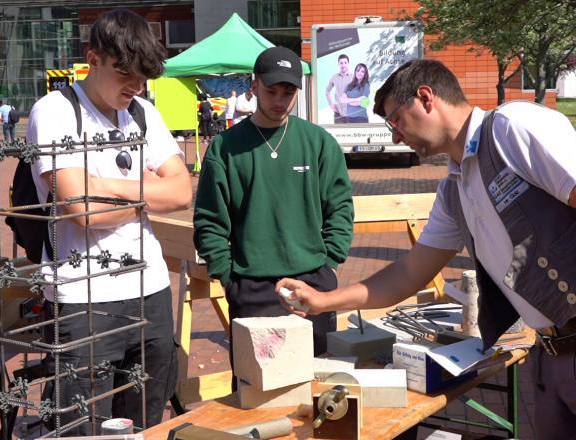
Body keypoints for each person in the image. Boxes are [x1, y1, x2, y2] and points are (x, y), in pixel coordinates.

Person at [276, 59, 576, 440]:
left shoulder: (513, 126)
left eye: (396, 120)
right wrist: (324, 300)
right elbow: (409, 272)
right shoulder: (454, 186)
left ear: (426, 98)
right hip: (550, 356)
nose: (396, 136)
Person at [28, 9, 192, 434]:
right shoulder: (56, 112)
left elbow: (181, 192)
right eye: (126, 76)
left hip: (150, 289)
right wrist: (142, 190)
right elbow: (81, 212)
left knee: (144, 419)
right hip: (83, 297)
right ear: (93, 58)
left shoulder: (141, 112)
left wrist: (104, 185)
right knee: (82, 424)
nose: (135, 87)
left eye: (142, 78)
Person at [193, 46, 354, 371]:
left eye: (288, 91)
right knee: (254, 397)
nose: (279, 100)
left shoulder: (319, 142)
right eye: (271, 90)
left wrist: (331, 265)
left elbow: (340, 207)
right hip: (251, 288)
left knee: (317, 389)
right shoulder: (225, 147)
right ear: (254, 87)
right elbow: (210, 220)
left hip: (314, 284)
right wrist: (228, 278)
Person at [325, 54, 352, 124]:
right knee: (337, 133)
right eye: (341, 63)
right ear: (338, 64)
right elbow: (327, 91)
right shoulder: (334, 77)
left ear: (348, 64)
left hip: (351, 112)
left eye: (345, 63)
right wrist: (331, 104)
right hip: (338, 112)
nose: (343, 65)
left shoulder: (353, 77)